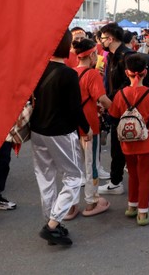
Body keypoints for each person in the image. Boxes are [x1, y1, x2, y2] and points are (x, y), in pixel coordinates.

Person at [30, 30, 92, 246]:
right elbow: (75, 108)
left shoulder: (37, 70)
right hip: (60, 132)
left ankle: (51, 222)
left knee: (45, 177)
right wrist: (87, 128)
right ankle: (53, 224)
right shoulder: (68, 74)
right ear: (67, 46)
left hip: (37, 130)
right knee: (74, 177)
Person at [107, 54, 149, 226]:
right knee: (145, 177)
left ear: (127, 72)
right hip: (146, 142)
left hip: (126, 143)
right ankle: (142, 213)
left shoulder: (120, 94)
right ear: (145, 72)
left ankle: (131, 206)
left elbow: (112, 119)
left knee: (133, 175)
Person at [67, 39, 112, 218]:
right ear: (92, 54)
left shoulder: (69, 73)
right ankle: (91, 202)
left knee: (72, 168)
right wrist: (118, 109)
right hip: (89, 127)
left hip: (71, 127)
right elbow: (102, 99)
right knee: (90, 164)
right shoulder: (92, 74)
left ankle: (70, 205)